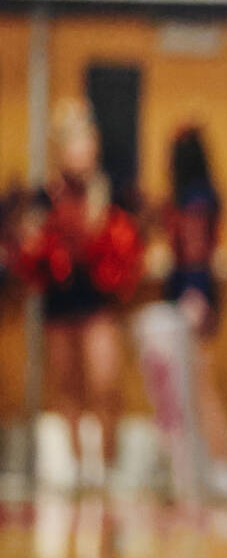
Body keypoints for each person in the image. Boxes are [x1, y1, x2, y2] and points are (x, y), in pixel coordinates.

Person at [14, 99, 143, 490]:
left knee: (105, 382)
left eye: (87, 142)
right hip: (60, 302)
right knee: (66, 382)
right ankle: (75, 465)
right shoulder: (46, 195)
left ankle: (107, 464)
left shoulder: (110, 191)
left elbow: (131, 246)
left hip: (98, 301)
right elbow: (28, 247)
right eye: (74, 143)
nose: (82, 151)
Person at [160, 127, 227, 500]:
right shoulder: (205, 195)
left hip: (194, 290)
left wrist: (193, 294)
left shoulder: (194, 199)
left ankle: (223, 466)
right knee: (191, 385)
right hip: (197, 286)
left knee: (201, 385)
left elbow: (195, 249)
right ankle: (207, 466)